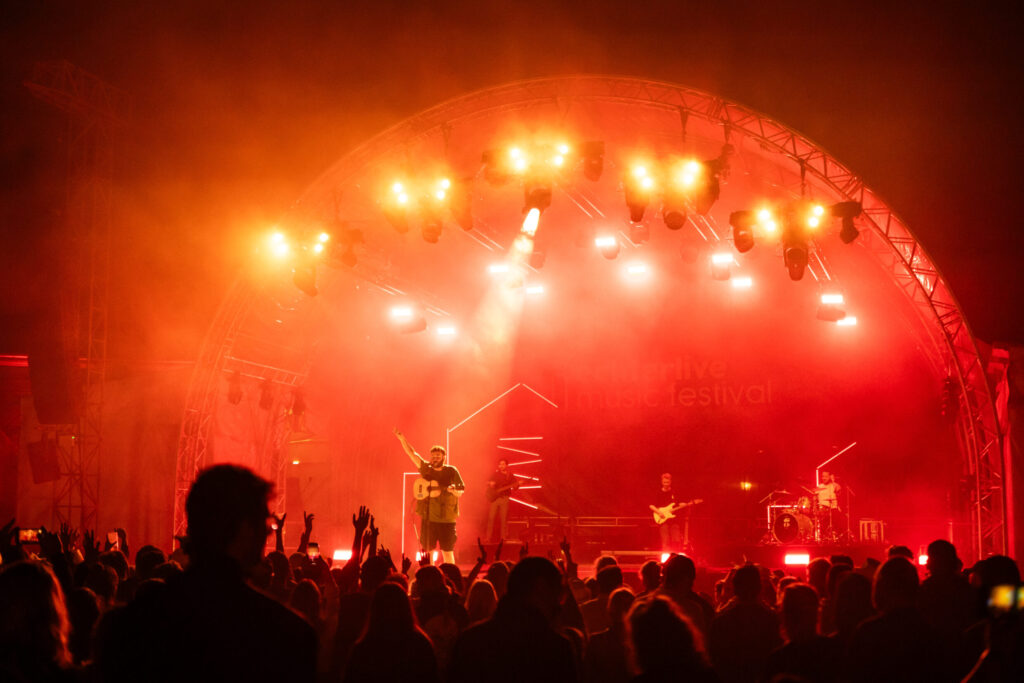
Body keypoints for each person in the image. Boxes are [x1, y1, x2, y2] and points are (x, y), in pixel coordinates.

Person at [96, 464, 317, 683]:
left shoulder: (129, 626)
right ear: (245, 530)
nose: (267, 534)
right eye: (265, 525)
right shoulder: (285, 635)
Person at [395, 428, 465, 565]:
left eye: (438, 456)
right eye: (433, 456)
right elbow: (412, 454)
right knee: (428, 553)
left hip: (447, 520)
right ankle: (429, 577)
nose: (435, 458)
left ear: (444, 457)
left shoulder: (451, 471)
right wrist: (402, 439)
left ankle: (450, 578)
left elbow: (461, 490)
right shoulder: (426, 468)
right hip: (428, 520)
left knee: (447, 552)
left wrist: (453, 491)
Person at [650, 473, 686, 553]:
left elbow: (678, 503)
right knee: (665, 541)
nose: (666, 484)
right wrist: (659, 512)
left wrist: (683, 504)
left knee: (676, 540)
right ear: (662, 482)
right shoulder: (658, 493)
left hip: (674, 520)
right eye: (664, 482)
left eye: (667, 482)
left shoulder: (674, 492)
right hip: (663, 520)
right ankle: (666, 560)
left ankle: (676, 557)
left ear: (670, 482)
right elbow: (651, 505)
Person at [485, 459, 517, 543]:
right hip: (495, 498)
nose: (501, 466)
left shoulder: (510, 476)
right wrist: (490, 483)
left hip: (504, 498)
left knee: (504, 519)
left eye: (503, 464)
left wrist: (517, 485)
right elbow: (487, 482)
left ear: (506, 465)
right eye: (500, 464)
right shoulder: (495, 474)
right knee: (491, 518)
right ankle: (488, 538)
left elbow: (515, 486)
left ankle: (503, 537)